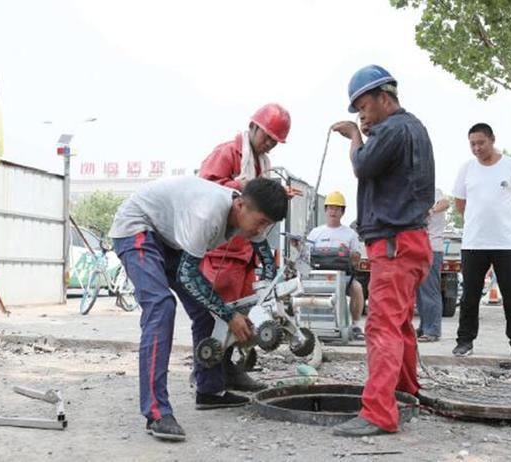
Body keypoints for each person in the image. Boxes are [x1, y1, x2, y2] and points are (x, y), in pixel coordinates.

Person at [109, 177, 288, 441]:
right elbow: (189, 276)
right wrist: (231, 316)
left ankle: (210, 391)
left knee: (207, 312)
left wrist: (268, 298)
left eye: (267, 225)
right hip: (137, 227)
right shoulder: (207, 215)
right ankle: (156, 413)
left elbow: (266, 259)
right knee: (161, 306)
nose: (261, 229)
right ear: (240, 205)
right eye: (260, 222)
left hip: (169, 239)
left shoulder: (249, 215)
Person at [330, 64, 435, 437]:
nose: (361, 114)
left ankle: (378, 413)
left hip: (394, 244)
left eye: (364, 106)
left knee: (381, 326)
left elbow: (363, 165)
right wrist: (367, 134)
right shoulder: (412, 128)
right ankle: (406, 392)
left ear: (384, 97)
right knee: (401, 322)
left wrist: (356, 137)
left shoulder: (392, 129)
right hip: (410, 242)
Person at [199, 103, 292, 392]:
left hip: (244, 251)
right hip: (223, 249)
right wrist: (240, 184)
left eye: (274, 142)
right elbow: (205, 190)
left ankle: (227, 368)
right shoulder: (227, 153)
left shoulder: (262, 163)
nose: (269, 145)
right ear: (253, 127)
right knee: (218, 314)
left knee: (242, 313)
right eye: (267, 137)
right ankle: (207, 373)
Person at [451, 123, 511, 360]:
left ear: (492, 139)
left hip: (506, 243)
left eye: (481, 143)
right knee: (469, 296)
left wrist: (508, 219)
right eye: (472, 144)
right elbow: (460, 203)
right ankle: (465, 341)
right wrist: (478, 220)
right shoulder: (466, 169)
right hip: (474, 242)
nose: (476, 148)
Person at [307, 191, 365, 340]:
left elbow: (356, 260)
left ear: (342, 212)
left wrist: (351, 255)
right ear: (325, 210)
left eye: (337, 208)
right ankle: (311, 325)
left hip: (343, 277)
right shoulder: (315, 233)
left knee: (357, 288)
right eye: (331, 208)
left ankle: (356, 325)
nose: (333, 211)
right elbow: (305, 254)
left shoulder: (350, 234)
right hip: (319, 277)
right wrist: (297, 247)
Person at [416, 188, 450, 342]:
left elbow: (445, 203)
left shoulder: (435, 191)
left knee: (429, 290)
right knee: (420, 292)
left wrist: (430, 211)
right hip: (417, 246)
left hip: (432, 247)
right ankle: (424, 327)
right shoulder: (414, 190)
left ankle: (432, 330)